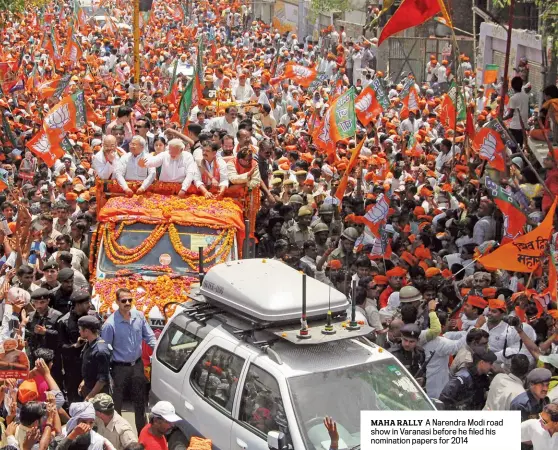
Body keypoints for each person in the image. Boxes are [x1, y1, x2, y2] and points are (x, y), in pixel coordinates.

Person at [101, 288, 157, 433]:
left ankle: (143, 436)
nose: (127, 303)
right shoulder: (110, 324)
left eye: (129, 300)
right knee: (117, 403)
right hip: (119, 368)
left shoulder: (139, 316)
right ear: (117, 302)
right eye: (123, 300)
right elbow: (105, 350)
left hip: (137, 365)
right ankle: (117, 436)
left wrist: (158, 350)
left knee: (140, 402)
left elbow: (149, 337)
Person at [59, 290, 96, 403]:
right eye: (86, 303)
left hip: (91, 363)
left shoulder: (93, 317)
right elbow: (61, 346)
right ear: (78, 305)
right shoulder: (64, 321)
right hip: (73, 367)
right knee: (74, 398)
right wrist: (75, 345)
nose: (89, 305)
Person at [78, 315, 111, 400]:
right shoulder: (89, 344)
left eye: (80, 329)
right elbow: (91, 368)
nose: (79, 332)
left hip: (98, 395)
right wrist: (84, 381)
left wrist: (90, 396)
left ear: (86, 331)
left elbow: (102, 379)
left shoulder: (100, 350)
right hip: (89, 388)